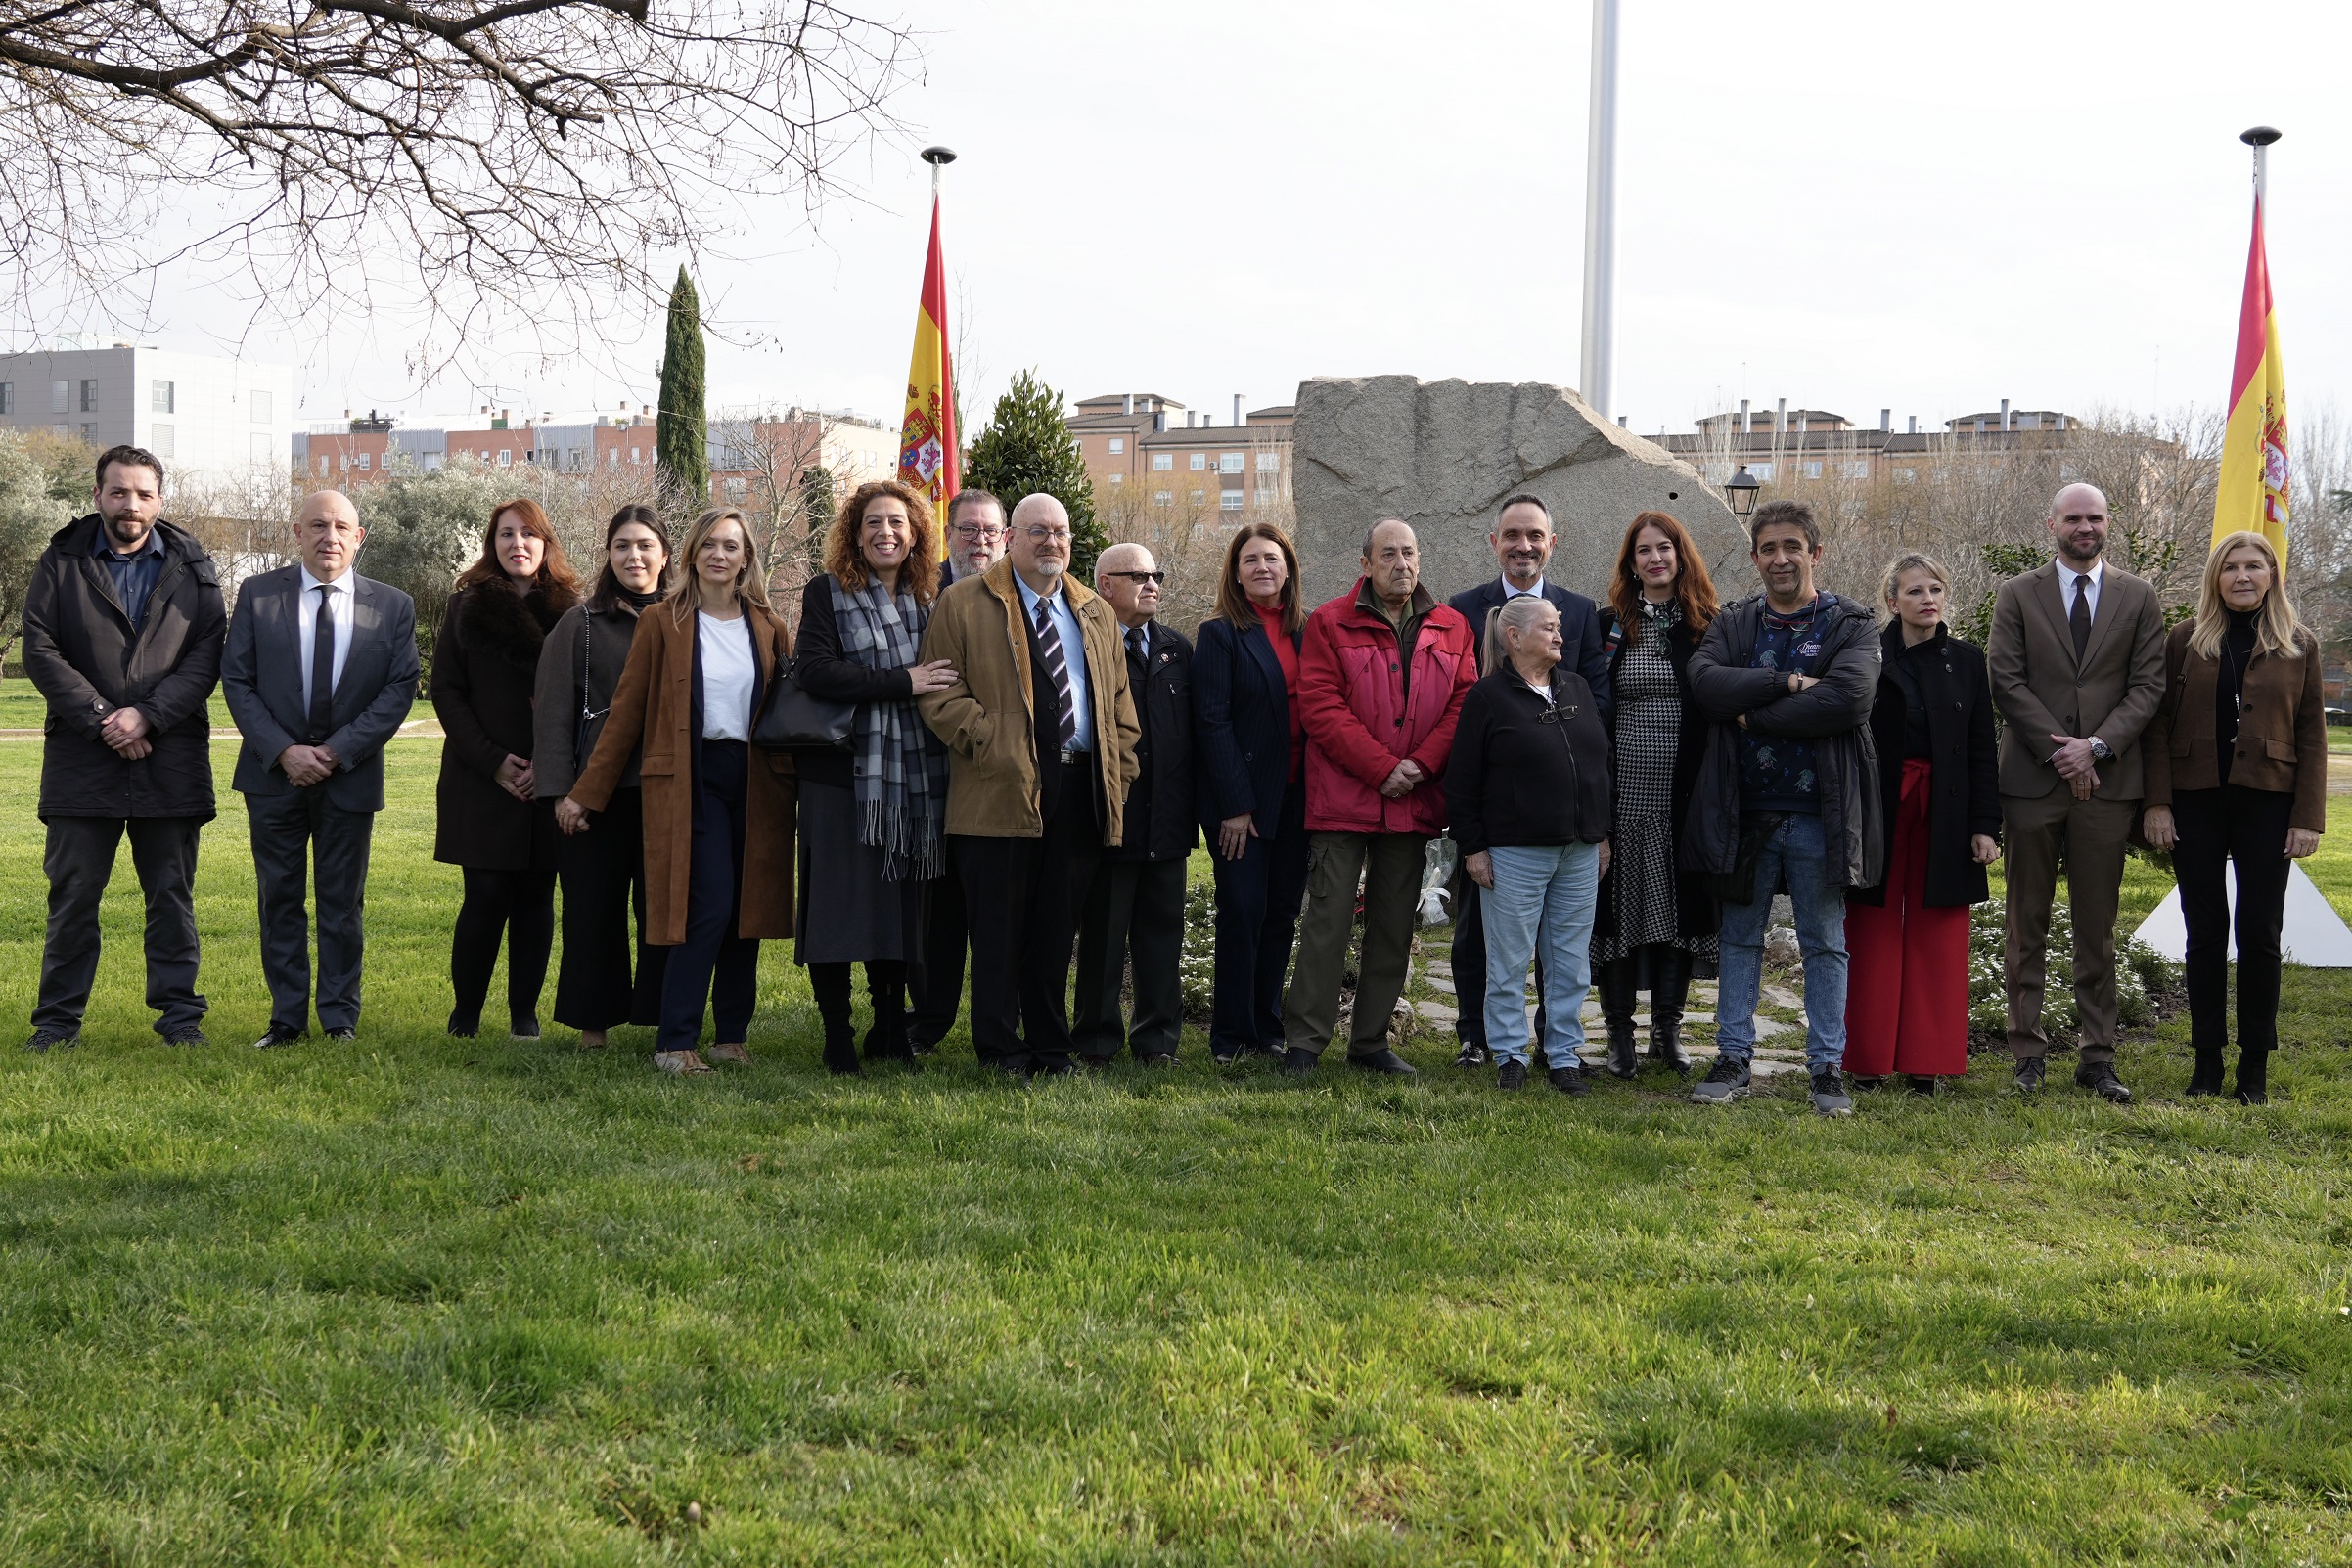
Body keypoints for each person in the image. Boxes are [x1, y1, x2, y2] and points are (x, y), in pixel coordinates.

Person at [557, 508, 796, 1075]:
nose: (720, 553)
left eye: (732, 546)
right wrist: (586, 792)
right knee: (708, 905)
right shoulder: (663, 622)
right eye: (709, 543)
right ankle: (674, 1042)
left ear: (746, 558)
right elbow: (626, 715)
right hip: (693, 778)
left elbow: (786, 713)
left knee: (748, 906)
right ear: (689, 553)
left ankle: (730, 1036)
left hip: (757, 781)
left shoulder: (768, 625)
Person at [915, 493, 1140, 1079]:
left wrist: (1120, 769)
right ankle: (1000, 1048)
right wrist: (994, 743)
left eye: (1061, 532)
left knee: (1052, 932)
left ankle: (1049, 1047)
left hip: (1079, 788)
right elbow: (939, 694)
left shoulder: (1094, 612)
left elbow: (1120, 708)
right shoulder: (963, 603)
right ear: (1010, 538)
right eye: (1037, 531)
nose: (1051, 542)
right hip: (997, 789)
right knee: (998, 930)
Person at [20, 445, 226, 1052]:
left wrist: (149, 717)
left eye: (142, 493)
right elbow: (40, 649)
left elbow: (209, 650)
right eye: (118, 492)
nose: (129, 504)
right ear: (98, 496)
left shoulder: (193, 565)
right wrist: (106, 719)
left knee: (170, 894)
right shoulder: (60, 559)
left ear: (159, 500)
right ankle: (56, 1024)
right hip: (83, 759)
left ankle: (180, 1020)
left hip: (172, 754)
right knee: (74, 895)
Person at [1685, 499, 1881, 1117]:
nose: (1780, 558)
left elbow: (1848, 702)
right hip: (1746, 810)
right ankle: (1734, 1057)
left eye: (1792, 546)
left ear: (1815, 553)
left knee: (1824, 939)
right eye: (1768, 548)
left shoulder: (1852, 624)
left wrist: (1750, 712)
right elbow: (1705, 684)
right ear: (1755, 558)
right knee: (1740, 937)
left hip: (1820, 811)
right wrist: (1789, 684)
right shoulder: (1736, 622)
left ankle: (1826, 1067)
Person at [1987, 482, 2167, 1102]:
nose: (2084, 528)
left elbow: (2148, 687)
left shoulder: (2138, 596)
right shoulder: (2018, 594)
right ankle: (2026, 1053)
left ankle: (2097, 1056)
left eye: (2094, 518)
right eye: (2073, 519)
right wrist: (2060, 748)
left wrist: (2095, 748)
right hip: (2033, 783)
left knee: (2098, 926)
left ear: (2108, 524)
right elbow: (2006, 681)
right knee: (2025, 921)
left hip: (2108, 783)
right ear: (2051, 523)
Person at [221, 490, 421, 1048]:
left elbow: (401, 687)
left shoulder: (393, 605)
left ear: (359, 538)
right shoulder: (258, 595)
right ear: (296, 532)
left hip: (349, 775)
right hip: (271, 775)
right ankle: (286, 1020)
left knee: (342, 903)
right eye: (317, 525)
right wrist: (284, 751)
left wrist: (334, 753)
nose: (329, 536)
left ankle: (339, 1019)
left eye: (341, 527)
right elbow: (237, 680)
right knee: (279, 897)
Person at [1282, 518, 1477, 1077]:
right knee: (1328, 922)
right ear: (1365, 563)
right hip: (1344, 800)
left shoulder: (1452, 627)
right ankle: (1305, 1043)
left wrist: (1419, 767)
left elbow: (1463, 703)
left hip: (1413, 800)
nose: (1401, 563)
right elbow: (1320, 706)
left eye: (1409, 552)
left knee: (1394, 926)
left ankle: (1370, 1042)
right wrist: (1382, 768)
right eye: (1387, 553)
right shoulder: (1329, 622)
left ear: (1420, 559)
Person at [2141, 530, 2325, 1105]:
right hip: (2196, 798)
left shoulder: (2298, 644)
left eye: (2254, 567)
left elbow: (2313, 735)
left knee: (2260, 933)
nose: (2243, 577)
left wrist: (2307, 818)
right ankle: (2206, 1063)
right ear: (2215, 579)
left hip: (2268, 800)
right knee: (2205, 934)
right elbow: (2158, 726)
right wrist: (2158, 803)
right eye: (2231, 568)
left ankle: (2254, 1068)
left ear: (2273, 576)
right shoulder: (2185, 640)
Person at [1443, 493, 1612, 1069]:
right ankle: (1482, 1039)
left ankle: (1558, 1048)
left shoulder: (1581, 613)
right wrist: (1473, 839)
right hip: (1505, 824)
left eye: (1534, 536)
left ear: (1550, 543)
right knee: (1488, 942)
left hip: (1571, 828)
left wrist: (1593, 821)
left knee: (1566, 952)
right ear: (1495, 542)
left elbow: (1596, 714)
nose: (1523, 546)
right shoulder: (1463, 609)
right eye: (1512, 535)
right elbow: (1457, 732)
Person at [792, 478, 953, 1075]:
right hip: (841, 777)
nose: (886, 532)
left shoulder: (933, 601)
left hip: (914, 776)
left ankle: (889, 1029)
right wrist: (902, 683)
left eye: (897, 524)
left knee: (898, 908)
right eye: (873, 524)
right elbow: (815, 671)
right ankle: (838, 1034)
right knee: (836, 910)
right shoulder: (827, 593)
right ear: (854, 537)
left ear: (915, 536)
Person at [1841, 553, 1999, 1093]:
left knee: (1939, 934)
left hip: (1946, 810)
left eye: (1935, 589)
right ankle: (1866, 1058)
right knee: (1872, 929)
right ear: (1892, 601)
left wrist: (1985, 826)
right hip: (1878, 809)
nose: (1927, 599)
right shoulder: (1865, 656)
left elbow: (1982, 749)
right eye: (1914, 591)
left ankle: (1925, 1063)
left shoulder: (1968, 660)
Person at [431, 498, 578, 1038]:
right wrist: (494, 763)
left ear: (545, 545)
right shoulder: (464, 606)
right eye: (506, 535)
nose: (517, 544)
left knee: (538, 898)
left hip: (549, 777)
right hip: (482, 777)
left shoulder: (573, 614)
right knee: (486, 896)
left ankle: (524, 1017)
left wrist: (551, 766)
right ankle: (465, 1014)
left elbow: (582, 697)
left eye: (529, 535)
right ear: (492, 545)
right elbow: (446, 692)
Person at [534, 505, 671, 1050]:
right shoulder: (580, 624)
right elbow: (551, 714)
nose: (633, 556)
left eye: (644, 545)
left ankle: (666, 1019)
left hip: (669, 792)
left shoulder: (689, 619)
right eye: (622, 546)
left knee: (664, 912)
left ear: (665, 554)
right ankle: (595, 1026)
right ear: (608, 556)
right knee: (593, 912)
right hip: (594, 798)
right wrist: (562, 794)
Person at [1591, 510, 1720, 1077]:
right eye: (1643, 550)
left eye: (1665, 548)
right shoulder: (1607, 626)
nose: (1655, 559)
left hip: (1685, 792)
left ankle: (1668, 1030)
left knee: (1678, 911)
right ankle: (1619, 1033)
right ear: (1631, 563)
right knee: (1618, 913)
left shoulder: (1708, 626)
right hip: (1621, 794)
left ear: (1681, 555)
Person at [1193, 521, 1312, 1066]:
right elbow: (1212, 723)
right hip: (1241, 804)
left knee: (1282, 912)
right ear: (1236, 575)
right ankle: (1230, 1035)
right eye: (1250, 561)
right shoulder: (1220, 634)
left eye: (1271, 558)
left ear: (1288, 567)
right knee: (1242, 909)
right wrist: (1236, 808)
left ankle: (1267, 1028)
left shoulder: (1311, 632)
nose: (1262, 567)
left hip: (1300, 799)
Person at [1073, 542, 1195, 1065]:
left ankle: (1157, 1040)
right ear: (1105, 584)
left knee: (1162, 938)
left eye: (1156, 575)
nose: (1152, 584)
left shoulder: (1176, 648)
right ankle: (1097, 1040)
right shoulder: (1087, 644)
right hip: (1111, 818)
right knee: (1102, 936)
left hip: (1167, 819)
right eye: (1137, 575)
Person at [908, 486, 1009, 1053]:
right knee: (937, 911)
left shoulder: (1022, 594)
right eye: (968, 530)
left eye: (990, 531)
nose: (980, 540)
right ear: (949, 536)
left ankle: (994, 1021)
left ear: (1006, 537)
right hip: (930, 772)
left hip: (995, 783)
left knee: (993, 911)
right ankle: (929, 1020)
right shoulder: (926, 594)